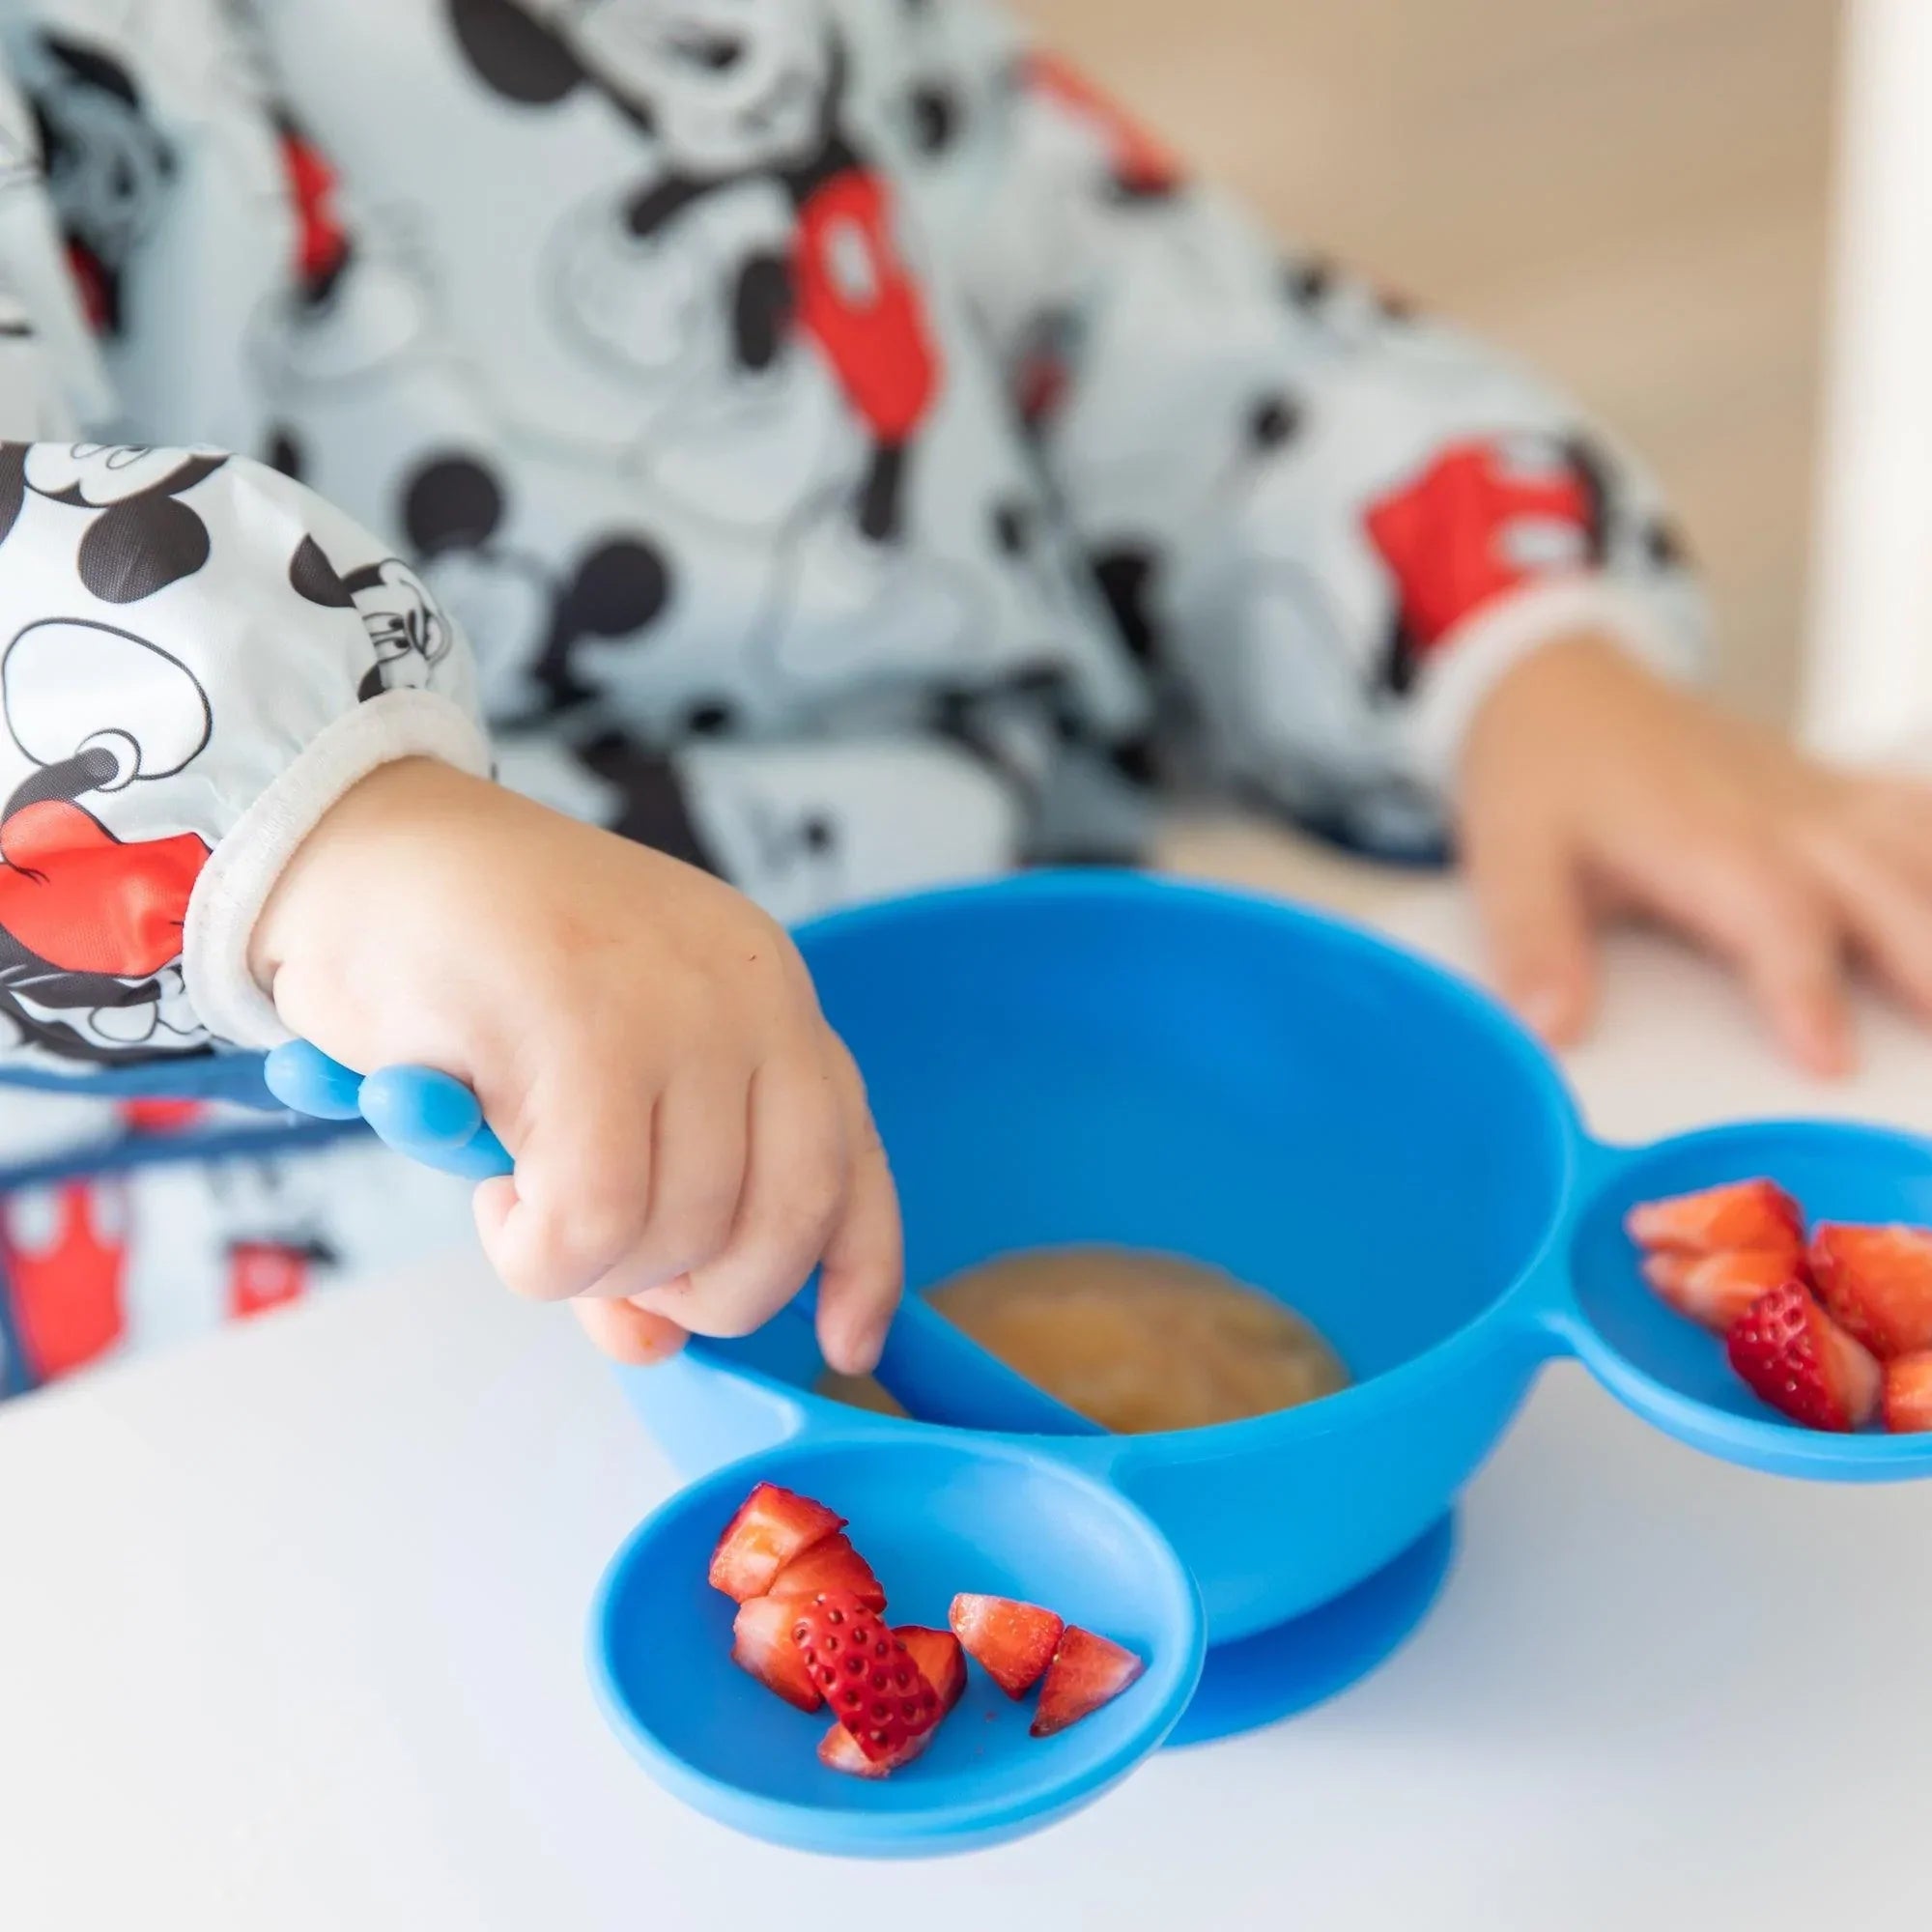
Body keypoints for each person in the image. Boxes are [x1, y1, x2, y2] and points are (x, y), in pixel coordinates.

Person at [2, 0, 1929, 1399]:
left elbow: (1119, 333)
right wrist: (340, 846)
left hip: (1016, 1078)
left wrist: (1520, 654)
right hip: (341, 1255)